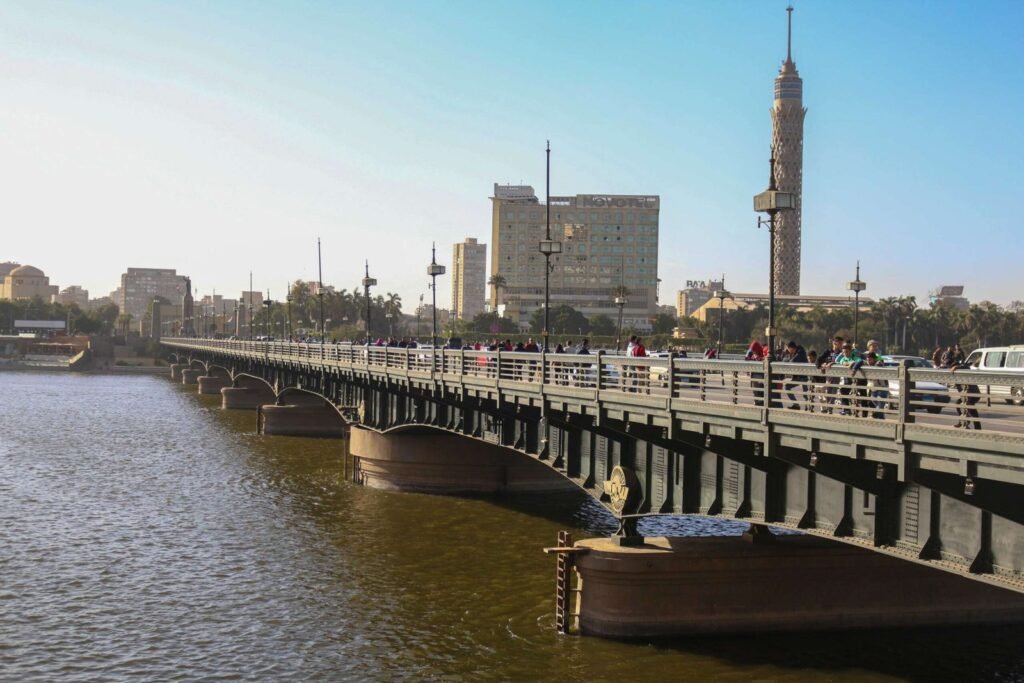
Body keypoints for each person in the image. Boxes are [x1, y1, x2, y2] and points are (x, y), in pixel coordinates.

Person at [950, 358, 981, 430]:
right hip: (968, 395)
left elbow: (967, 367)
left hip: (973, 394)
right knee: (971, 410)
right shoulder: (956, 376)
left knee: (961, 405)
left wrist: (956, 367)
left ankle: (964, 422)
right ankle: (976, 427)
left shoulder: (963, 370)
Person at [782, 340, 808, 409]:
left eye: (788, 349)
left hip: (802, 376)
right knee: (805, 392)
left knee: (805, 393)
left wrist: (788, 357)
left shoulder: (800, 352)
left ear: (791, 348)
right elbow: (784, 360)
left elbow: (793, 361)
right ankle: (798, 405)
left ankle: (806, 406)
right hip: (798, 376)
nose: (788, 350)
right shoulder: (794, 353)